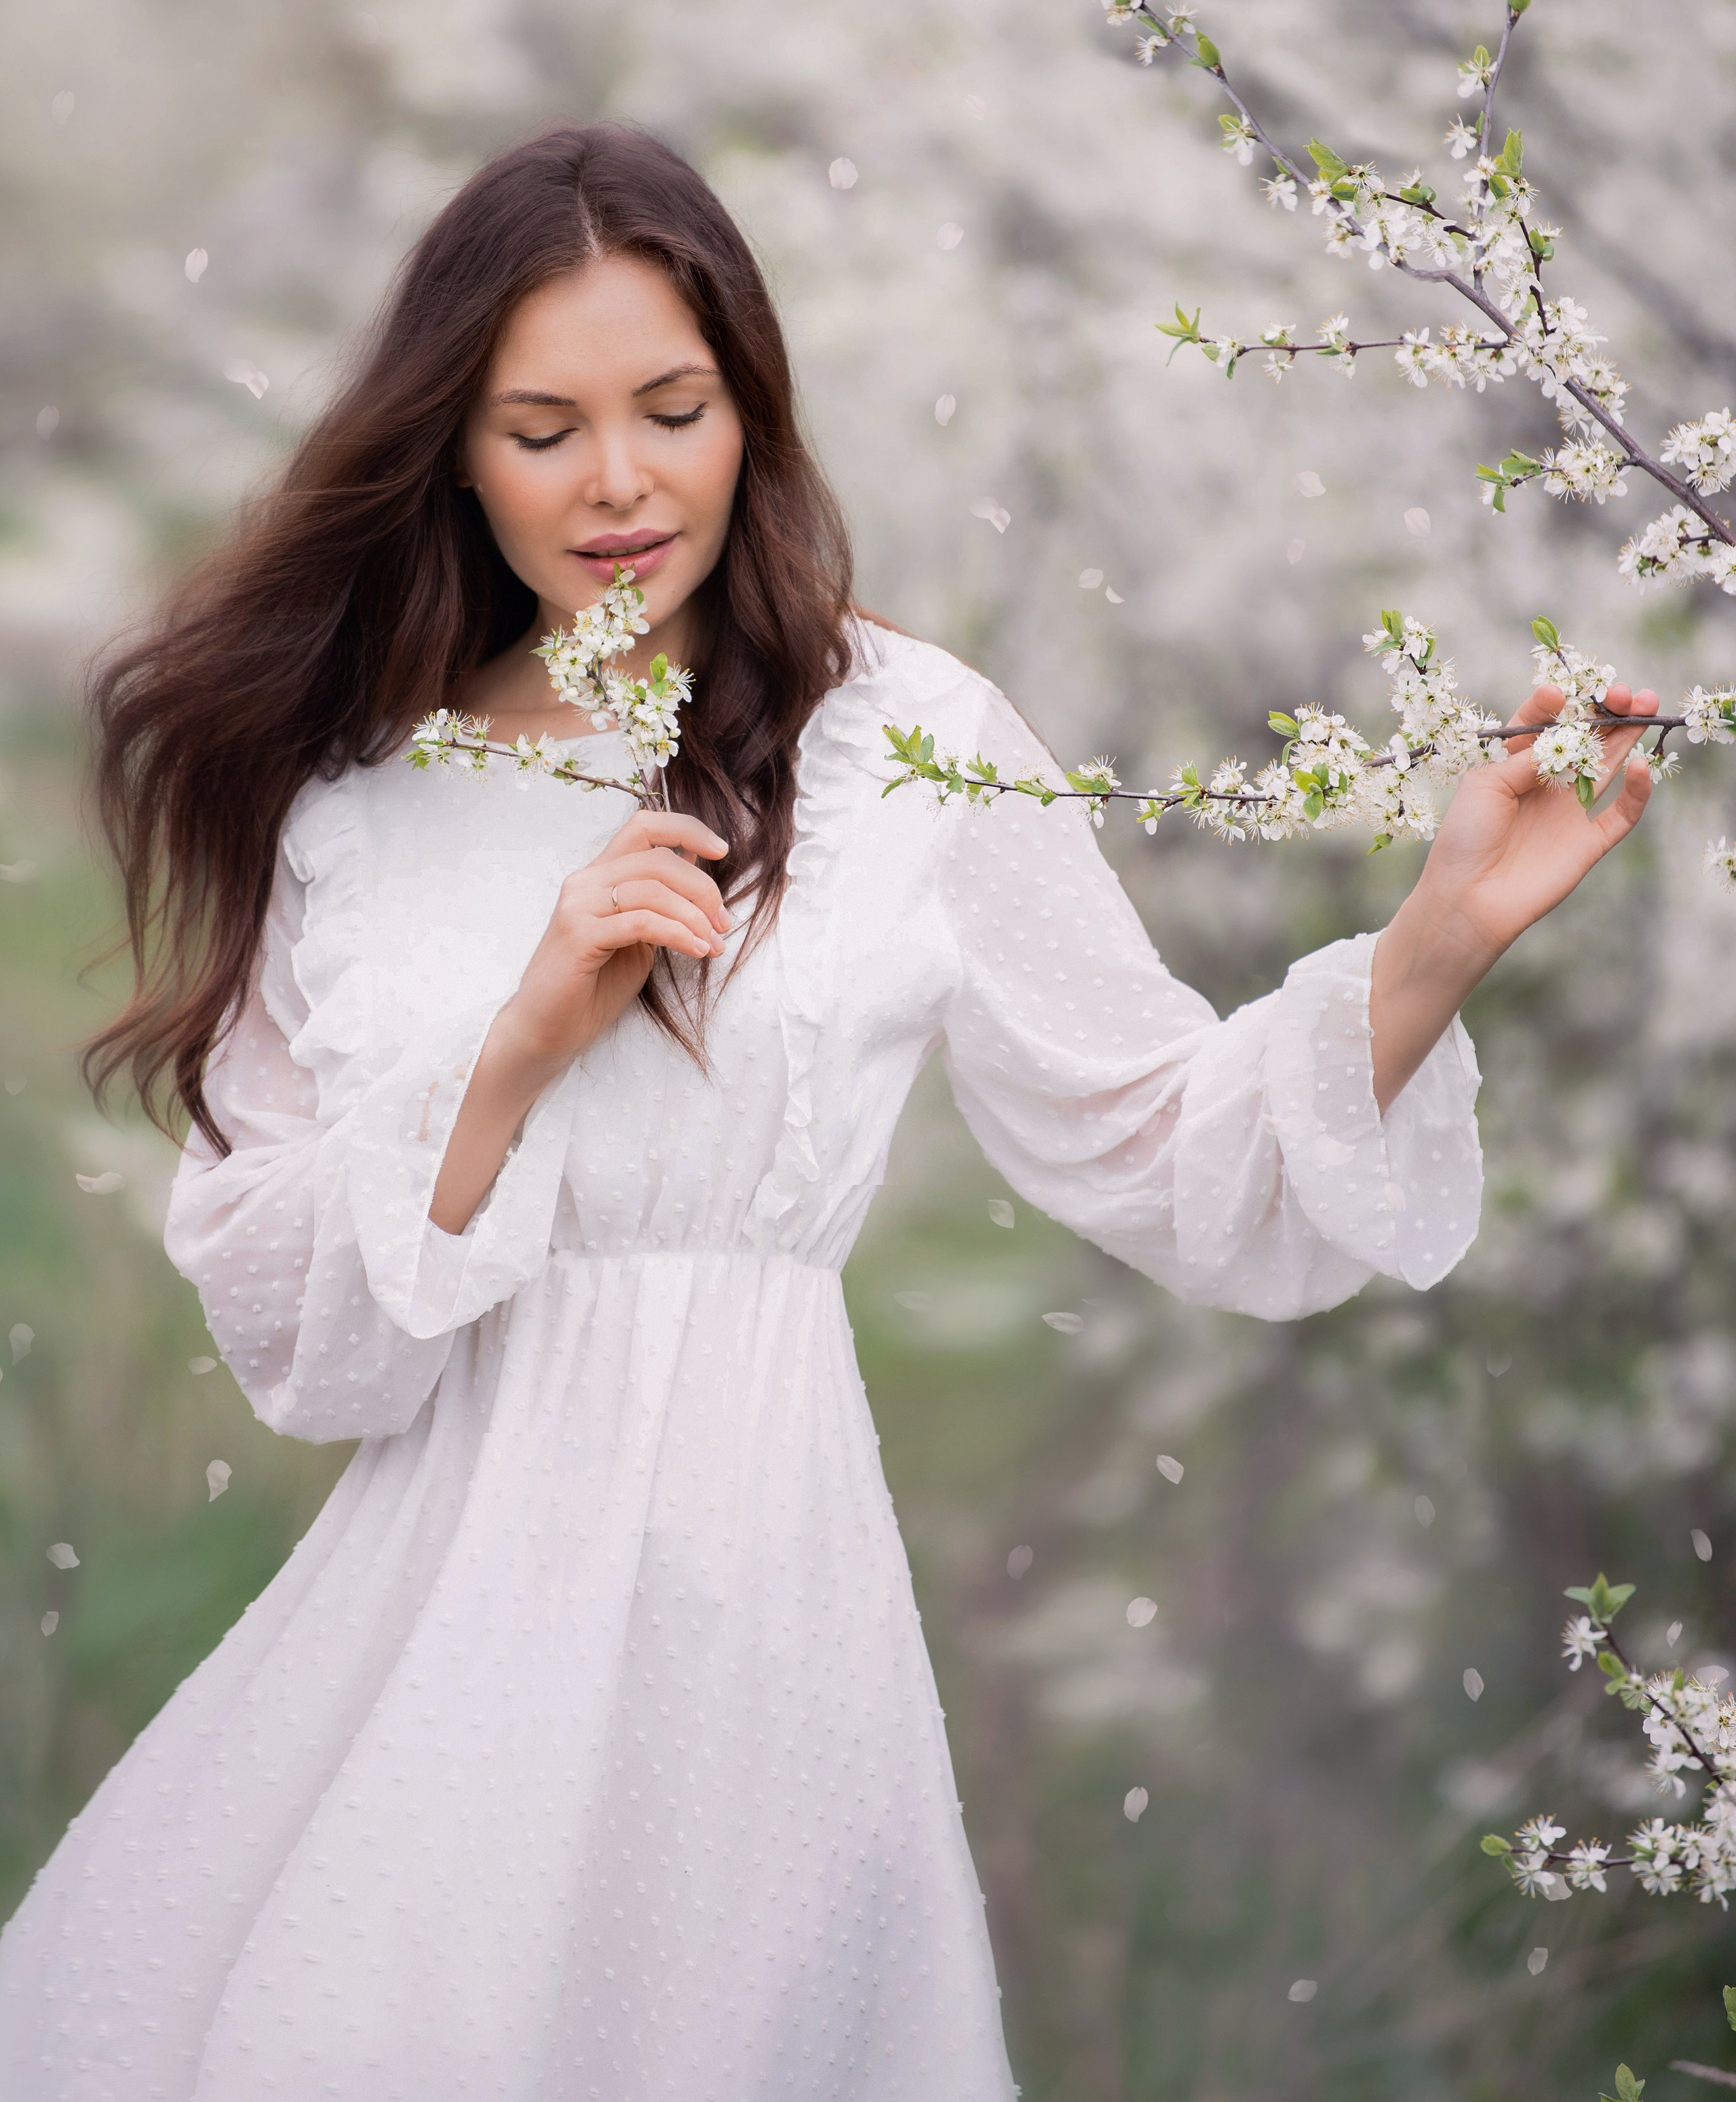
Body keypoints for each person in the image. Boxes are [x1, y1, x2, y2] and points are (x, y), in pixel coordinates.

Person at [0, 121, 1659, 2101]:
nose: (619, 483)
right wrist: (522, 1042)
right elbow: (302, 1341)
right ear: (453, 451)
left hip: (768, 1626)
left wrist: (1437, 939)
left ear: (750, 411)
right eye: (541, 430)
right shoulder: (356, 797)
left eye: (672, 409)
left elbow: (1167, 1141)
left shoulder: (904, 741)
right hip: (443, 1630)